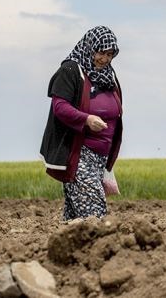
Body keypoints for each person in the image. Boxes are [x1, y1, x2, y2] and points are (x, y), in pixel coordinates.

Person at [40, 25, 124, 220]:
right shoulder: (70, 70)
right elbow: (59, 106)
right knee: (94, 214)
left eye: (110, 54)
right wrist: (86, 119)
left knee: (75, 217)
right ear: (90, 48)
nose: (105, 59)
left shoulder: (109, 76)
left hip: (100, 158)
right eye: (101, 53)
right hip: (79, 154)